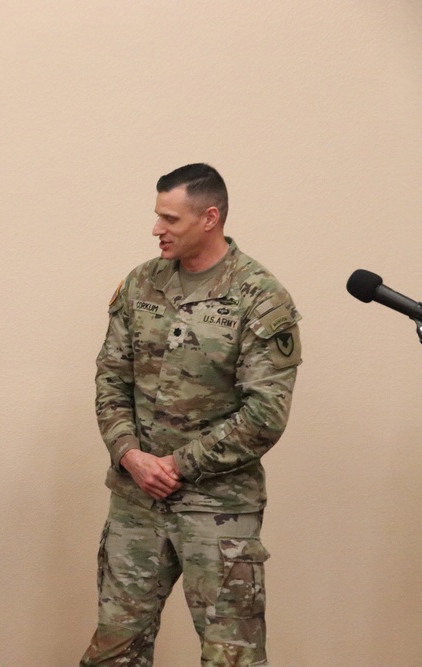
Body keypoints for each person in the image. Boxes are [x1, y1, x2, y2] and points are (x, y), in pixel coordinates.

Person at [81, 164, 301, 667]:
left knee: (231, 658)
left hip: (217, 510)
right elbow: (111, 378)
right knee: (114, 652)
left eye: (169, 218)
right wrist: (129, 454)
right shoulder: (140, 284)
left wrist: (178, 466)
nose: (156, 229)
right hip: (136, 502)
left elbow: (266, 413)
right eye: (157, 216)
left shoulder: (260, 297)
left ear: (210, 217)